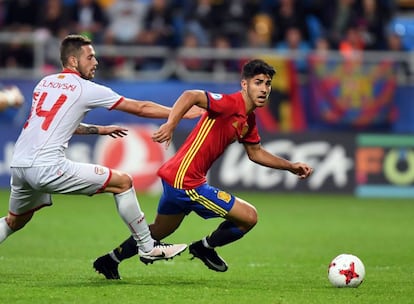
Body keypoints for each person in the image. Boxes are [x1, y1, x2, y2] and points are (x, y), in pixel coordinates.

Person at [93, 59, 313, 279]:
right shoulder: (229, 104)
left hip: (177, 178)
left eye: (267, 84)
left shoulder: (248, 118)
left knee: (159, 231)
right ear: (244, 84)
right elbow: (191, 95)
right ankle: (204, 247)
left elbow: (255, 153)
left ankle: (110, 260)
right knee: (249, 217)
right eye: (258, 82)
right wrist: (171, 124)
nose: (264, 89)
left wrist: (291, 166)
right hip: (186, 182)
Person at [0, 34, 194, 278]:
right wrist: (179, 113)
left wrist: (99, 130)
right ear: (73, 60)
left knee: (14, 222)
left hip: (19, 165)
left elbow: (54, 124)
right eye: (90, 57)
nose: (96, 62)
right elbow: (140, 107)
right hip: (47, 167)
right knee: (123, 182)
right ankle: (147, 247)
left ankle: (146, 246)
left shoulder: (45, 83)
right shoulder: (85, 88)